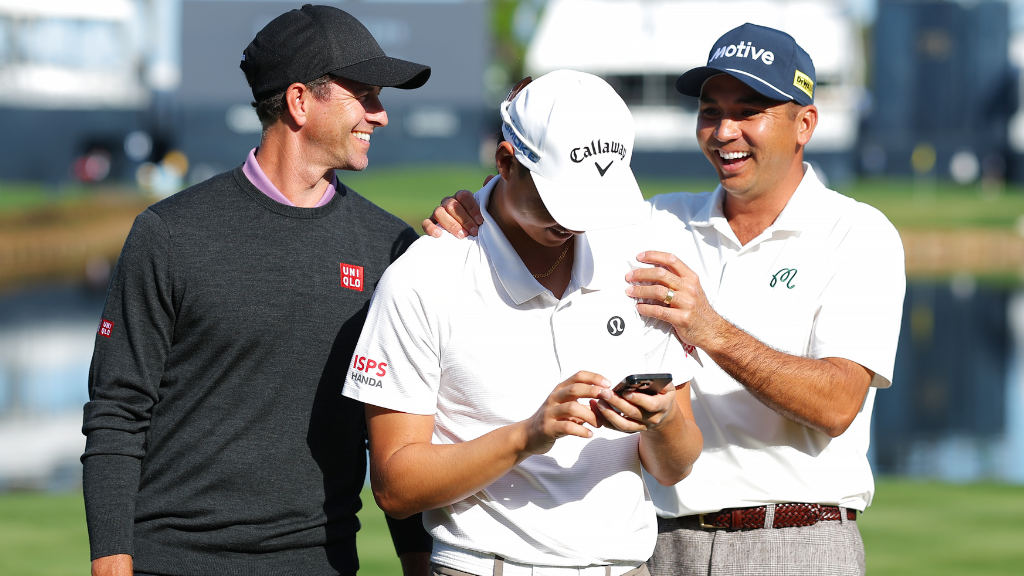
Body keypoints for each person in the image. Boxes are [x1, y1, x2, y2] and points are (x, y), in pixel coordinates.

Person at [424, 24, 906, 576]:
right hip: (657, 543)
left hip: (796, 539)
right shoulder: (653, 220)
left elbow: (837, 404)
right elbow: (543, 204)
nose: (724, 131)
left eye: (748, 111)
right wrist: (475, 210)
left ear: (805, 123)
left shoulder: (856, 233)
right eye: (709, 111)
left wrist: (711, 329)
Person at [82, 6, 433, 576]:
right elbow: (118, 412)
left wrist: (418, 563)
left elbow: (397, 425)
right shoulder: (170, 234)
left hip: (324, 563)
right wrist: (111, 564)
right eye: (365, 95)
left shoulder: (390, 246)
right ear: (299, 101)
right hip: (173, 564)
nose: (381, 114)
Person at [343, 70, 703, 576]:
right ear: (507, 163)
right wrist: (530, 434)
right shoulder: (424, 277)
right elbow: (395, 488)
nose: (577, 221)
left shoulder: (640, 261)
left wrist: (663, 422)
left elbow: (676, 466)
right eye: (562, 201)